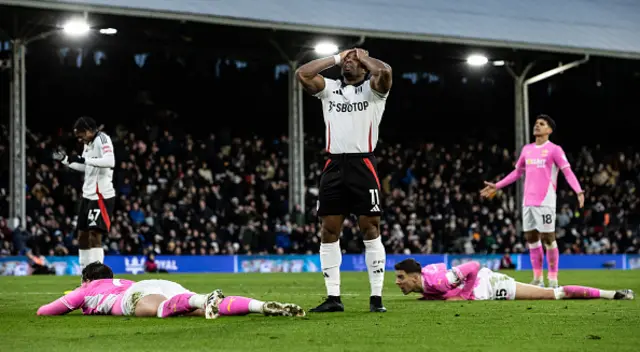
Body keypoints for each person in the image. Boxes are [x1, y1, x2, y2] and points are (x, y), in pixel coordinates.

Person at [296, 48, 392, 313]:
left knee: (370, 229)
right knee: (328, 230)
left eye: (354, 61)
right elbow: (302, 73)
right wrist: (337, 57)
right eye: (346, 61)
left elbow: (384, 72)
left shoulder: (374, 90)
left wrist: (362, 57)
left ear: (364, 66)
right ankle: (333, 298)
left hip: (363, 163)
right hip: (334, 164)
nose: (349, 63)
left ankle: (376, 298)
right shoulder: (329, 88)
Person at [480, 115, 584, 288]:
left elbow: (567, 172)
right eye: (536, 123)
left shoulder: (555, 150)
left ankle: (552, 279)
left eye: (541, 124)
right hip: (528, 201)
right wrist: (497, 186)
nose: (537, 125)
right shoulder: (527, 149)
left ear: (549, 130)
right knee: (531, 238)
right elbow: (517, 173)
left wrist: (578, 190)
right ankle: (537, 278)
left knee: (548, 238)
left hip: (546, 201)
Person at [37, 262, 306, 319]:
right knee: (196, 310)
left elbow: (46, 311)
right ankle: (259, 306)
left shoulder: (87, 289)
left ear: (87, 279)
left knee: (156, 310)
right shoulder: (123, 281)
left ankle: (203, 299)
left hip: (137, 296)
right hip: (162, 285)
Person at [52, 117, 116, 282]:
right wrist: (66, 160)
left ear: (89, 130)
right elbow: (85, 165)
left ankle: (97, 279)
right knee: (82, 236)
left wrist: (85, 159)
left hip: (100, 194)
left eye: (81, 135)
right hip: (87, 195)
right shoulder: (88, 144)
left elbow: (110, 161)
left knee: (95, 234)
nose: (80, 139)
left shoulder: (103, 139)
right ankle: (85, 278)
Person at [393, 258, 635, 301]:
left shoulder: (438, 282)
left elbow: (474, 266)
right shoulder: (425, 280)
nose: (397, 282)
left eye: (401, 278)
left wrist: (464, 296)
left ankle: (613, 294)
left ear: (414, 277)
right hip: (483, 288)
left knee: (555, 294)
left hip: (492, 286)